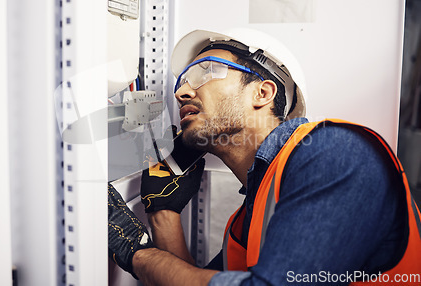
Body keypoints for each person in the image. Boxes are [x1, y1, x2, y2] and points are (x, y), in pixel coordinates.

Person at [108, 28, 421, 285]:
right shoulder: (245, 223)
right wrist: (163, 212)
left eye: (205, 72)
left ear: (263, 93)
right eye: (182, 81)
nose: (182, 92)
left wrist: (137, 252)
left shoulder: (335, 153)